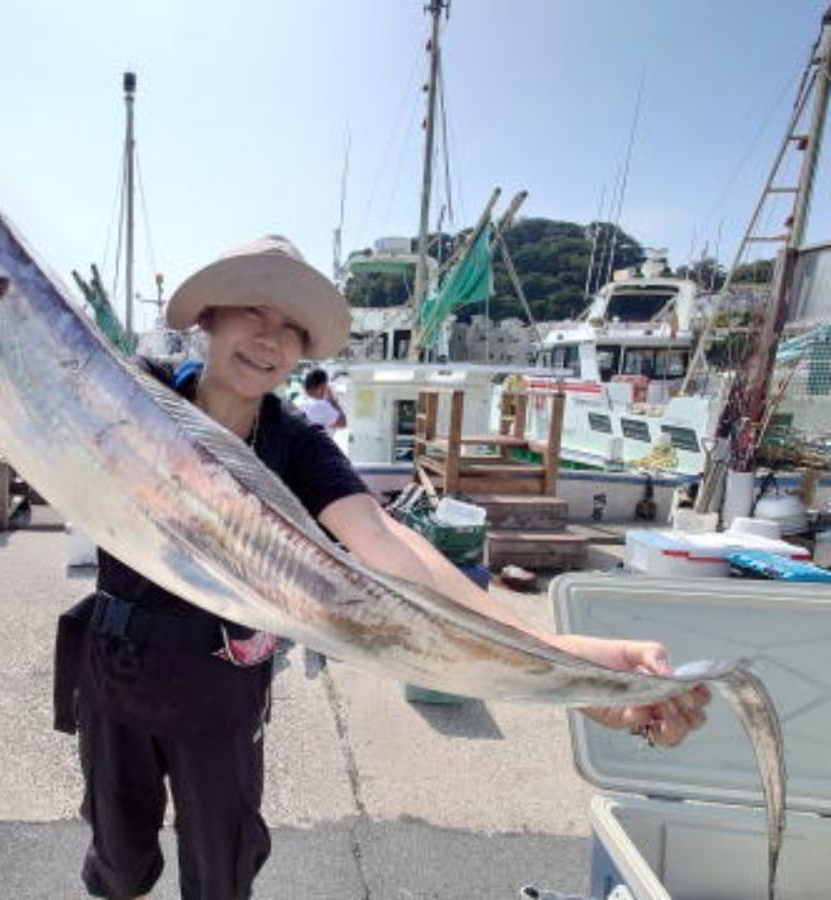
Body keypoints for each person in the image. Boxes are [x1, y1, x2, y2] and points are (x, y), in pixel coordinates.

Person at [55, 235, 710, 900]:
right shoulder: (133, 395)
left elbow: (386, 541)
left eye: (291, 327)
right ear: (209, 316)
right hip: (114, 670)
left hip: (221, 687)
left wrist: (552, 654)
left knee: (221, 873)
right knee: (119, 865)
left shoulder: (296, 444)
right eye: (254, 309)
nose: (270, 338)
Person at [297, 367, 347, 434]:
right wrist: (333, 402)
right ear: (322, 386)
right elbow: (342, 423)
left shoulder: (298, 401)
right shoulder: (320, 405)